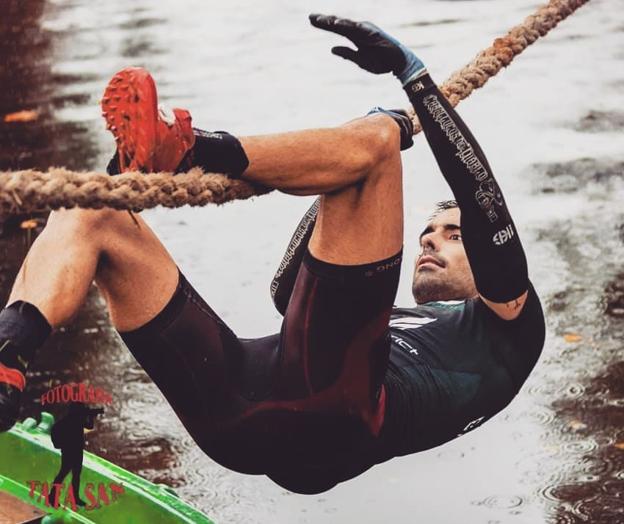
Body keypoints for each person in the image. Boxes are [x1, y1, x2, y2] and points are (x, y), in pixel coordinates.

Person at [0, 16, 545, 494]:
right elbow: (288, 294)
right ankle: (9, 353)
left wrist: (413, 83)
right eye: (430, 229)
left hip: (333, 420)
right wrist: (338, 173)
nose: (429, 238)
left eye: (453, 234)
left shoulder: (512, 326)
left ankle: (188, 147)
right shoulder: (401, 320)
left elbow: (482, 199)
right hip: (234, 406)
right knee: (92, 210)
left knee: (377, 144)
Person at [48, 403, 104, 507]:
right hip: (69, 451)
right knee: (63, 474)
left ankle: (75, 497)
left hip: (77, 450)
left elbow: (89, 426)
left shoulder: (76, 420)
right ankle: (52, 496)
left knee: (76, 475)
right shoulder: (67, 422)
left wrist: (91, 416)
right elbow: (55, 431)